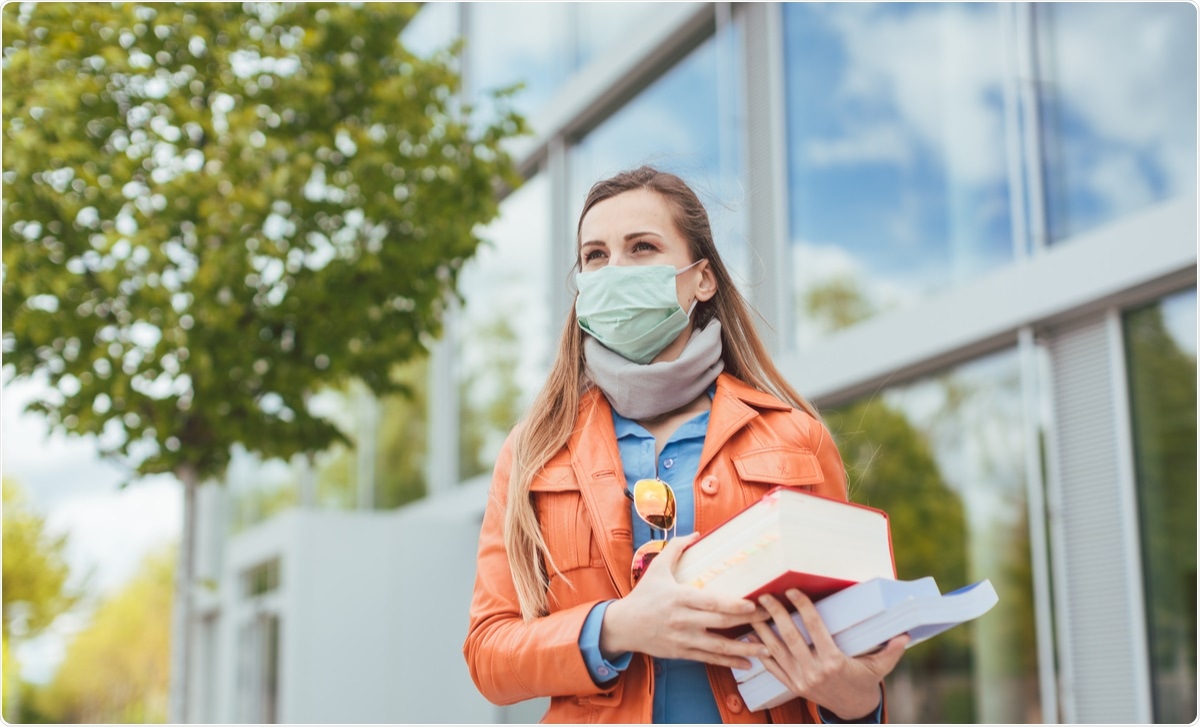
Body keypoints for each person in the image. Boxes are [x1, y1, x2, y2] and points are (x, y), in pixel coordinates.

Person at [463, 166, 908, 723]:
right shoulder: (534, 450)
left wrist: (859, 701)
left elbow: (850, 644)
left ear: (703, 279)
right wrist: (618, 627)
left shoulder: (796, 436)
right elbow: (489, 654)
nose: (614, 269)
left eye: (642, 247)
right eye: (595, 256)